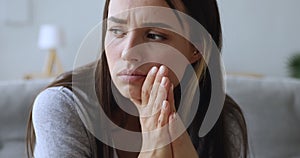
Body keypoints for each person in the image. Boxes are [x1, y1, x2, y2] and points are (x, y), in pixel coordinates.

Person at [26, 0, 248, 157]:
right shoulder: (63, 107)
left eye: (154, 36)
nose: (127, 52)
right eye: (117, 31)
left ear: (196, 48)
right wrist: (154, 149)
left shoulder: (222, 118)